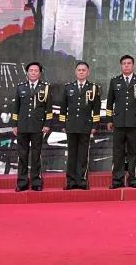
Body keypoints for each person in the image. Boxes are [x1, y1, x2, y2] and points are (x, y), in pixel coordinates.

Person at [107, 55, 136, 189]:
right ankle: (117, 180)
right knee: (118, 152)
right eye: (124, 63)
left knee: (133, 152)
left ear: (133, 65)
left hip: (134, 122)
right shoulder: (115, 81)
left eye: (129, 63)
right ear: (121, 66)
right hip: (118, 122)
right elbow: (109, 102)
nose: (126, 65)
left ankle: (133, 179)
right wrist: (109, 120)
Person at [58, 61, 101, 190]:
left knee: (83, 155)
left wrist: (94, 126)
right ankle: (70, 182)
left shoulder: (93, 88)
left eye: (84, 70)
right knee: (71, 155)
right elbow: (63, 108)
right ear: (75, 72)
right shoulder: (68, 87)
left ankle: (82, 181)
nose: (81, 72)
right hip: (71, 126)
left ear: (88, 72)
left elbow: (96, 110)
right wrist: (63, 124)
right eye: (79, 70)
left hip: (85, 126)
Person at [10, 61, 52, 192]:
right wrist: (14, 124)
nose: (33, 73)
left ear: (40, 73)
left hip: (38, 126)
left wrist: (47, 124)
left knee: (36, 155)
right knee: (22, 155)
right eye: (31, 70)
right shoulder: (20, 87)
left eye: (36, 71)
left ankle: (36, 182)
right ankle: (22, 182)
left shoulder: (45, 88)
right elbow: (16, 108)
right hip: (22, 126)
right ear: (27, 73)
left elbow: (48, 109)